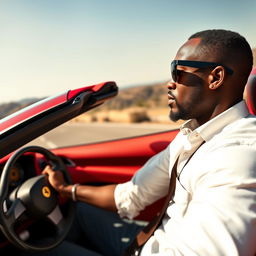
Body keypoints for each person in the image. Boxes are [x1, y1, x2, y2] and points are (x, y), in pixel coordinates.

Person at [27, 29, 256, 255]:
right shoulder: (192, 136)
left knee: (32, 250)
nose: (170, 83)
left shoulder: (237, 156)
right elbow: (130, 196)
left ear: (215, 78)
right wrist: (65, 190)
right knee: (78, 212)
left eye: (179, 72)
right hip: (147, 241)